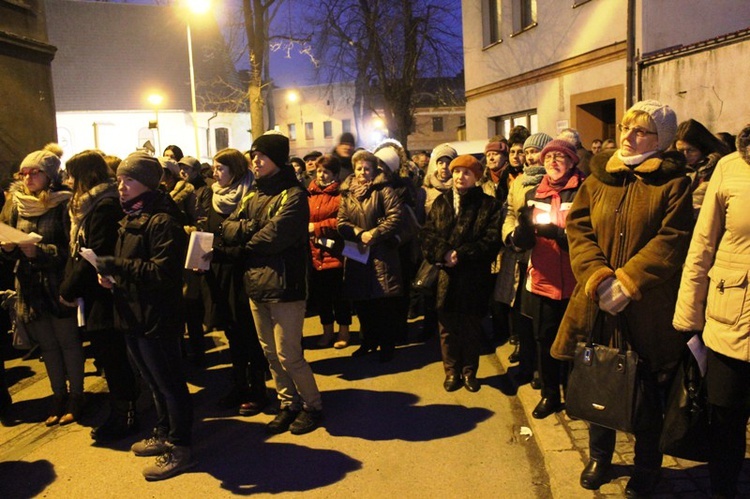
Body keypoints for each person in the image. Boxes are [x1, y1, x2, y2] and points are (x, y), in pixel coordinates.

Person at [551, 100, 693, 496]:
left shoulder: (674, 183)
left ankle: (648, 466)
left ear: (660, 140)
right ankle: (601, 455)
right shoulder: (599, 178)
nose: (628, 136)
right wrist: (597, 277)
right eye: (626, 127)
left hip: (646, 306)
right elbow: (578, 230)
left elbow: (673, 240)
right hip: (597, 301)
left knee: (647, 387)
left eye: (640, 131)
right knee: (598, 377)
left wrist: (629, 282)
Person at [95, 151, 193, 481]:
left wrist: (116, 266)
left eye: (129, 180)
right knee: (152, 381)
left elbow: (163, 273)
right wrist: (111, 277)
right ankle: (163, 431)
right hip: (132, 313)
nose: (121, 186)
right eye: (120, 179)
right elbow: (134, 267)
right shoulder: (131, 216)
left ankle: (180, 445)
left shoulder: (162, 220)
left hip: (156, 316)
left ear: (147, 183)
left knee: (170, 383)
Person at [221, 132, 323, 435]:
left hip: (284, 285)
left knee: (288, 354)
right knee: (269, 354)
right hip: (256, 284)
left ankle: (312, 405)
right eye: (253, 156)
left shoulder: (293, 194)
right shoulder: (252, 194)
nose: (255, 161)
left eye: (261, 156)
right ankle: (288, 403)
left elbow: (274, 237)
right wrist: (250, 229)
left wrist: (244, 239)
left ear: (276, 159)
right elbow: (228, 227)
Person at [672, 125, 750, 498]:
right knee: (725, 420)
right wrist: (689, 317)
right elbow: (702, 244)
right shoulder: (731, 167)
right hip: (731, 318)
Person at [59, 150, 139, 442]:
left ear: (85, 175)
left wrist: (68, 289)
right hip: (97, 292)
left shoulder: (103, 206)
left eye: (71, 174)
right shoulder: (90, 204)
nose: (67, 181)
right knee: (113, 355)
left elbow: (94, 253)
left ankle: (124, 415)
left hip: (105, 294)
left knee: (113, 355)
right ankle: (125, 409)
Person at [0, 150, 82, 427]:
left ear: (50, 174)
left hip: (57, 283)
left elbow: (71, 250)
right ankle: (58, 396)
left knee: (68, 343)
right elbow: (8, 239)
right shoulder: (14, 203)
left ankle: (76, 397)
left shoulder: (63, 203)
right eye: (24, 173)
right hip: (29, 285)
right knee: (47, 346)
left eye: (34, 172)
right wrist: (10, 249)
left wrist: (40, 251)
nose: (28, 178)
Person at [508, 139, 584, 418]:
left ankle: (575, 397)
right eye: (548, 156)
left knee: (577, 343)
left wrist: (560, 235)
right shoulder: (534, 193)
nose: (553, 161)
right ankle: (550, 395)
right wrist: (524, 230)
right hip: (543, 279)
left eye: (560, 157)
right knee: (545, 340)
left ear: (572, 161)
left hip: (577, 282)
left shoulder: (583, 190)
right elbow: (522, 241)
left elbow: (590, 233)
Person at [420, 155, 502, 392]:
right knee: (446, 328)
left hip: (473, 276)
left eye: (466, 172)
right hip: (445, 275)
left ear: (476, 177)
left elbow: (491, 240)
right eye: (457, 172)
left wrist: (462, 254)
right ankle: (451, 371)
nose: (460, 176)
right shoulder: (441, 203)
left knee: (471, 327)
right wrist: (444, 253)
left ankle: (469, 372)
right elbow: (426, 235)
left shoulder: (489, 205)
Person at [199, 148, 269, 414]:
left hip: (243, 275)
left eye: (220, 168)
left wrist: (220, 252)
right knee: (232, 334)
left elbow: (252, 242)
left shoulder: (249, 197)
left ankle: (258, 389)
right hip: (219, 274)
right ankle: (239, 385)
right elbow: (210, 233)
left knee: (249, 334)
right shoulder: (215, 197)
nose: (214, 173)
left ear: (235, 170)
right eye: (214, 168)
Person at [338, 149, 403, 362]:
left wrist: (374, 234)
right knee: (362, 303)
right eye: (359, 168)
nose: (363, 172)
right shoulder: (346, 193)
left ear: (374, 170)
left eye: (367, 168)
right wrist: (358, 233)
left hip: (381, 252)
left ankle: (386, 345)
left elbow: (395, 217)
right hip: (357, 251)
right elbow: (341, 221)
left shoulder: (384, 189)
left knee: (382, 303)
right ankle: (367, 341)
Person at [498, 132, 553, 386]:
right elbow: (509, 211)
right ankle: (526, 365)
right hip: (518, 255)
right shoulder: (518, 182)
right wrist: (509, 234)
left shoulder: (552, 181)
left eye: (535, 151)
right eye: (528, 151)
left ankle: (544, 372)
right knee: (520, 315)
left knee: (539, 320)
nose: (530, 156)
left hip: (543, 257)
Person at [307, 154, 352, 349]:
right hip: (314, 253)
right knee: (322, 297)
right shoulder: (309, 193)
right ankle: (327, 331)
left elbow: (343, 220)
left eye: (326, 172)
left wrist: (317, 227)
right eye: (319, 171)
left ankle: (344, 332)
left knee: (339, 296)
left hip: (334, 253)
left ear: (335, 174)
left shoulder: (341, 195)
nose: (322, 175)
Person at [671, 119, 730, 218]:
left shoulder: (718, 166)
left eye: (691, 150)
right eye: (681, 151)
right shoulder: (673, 167)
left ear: (703, 148)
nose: (686, 155)